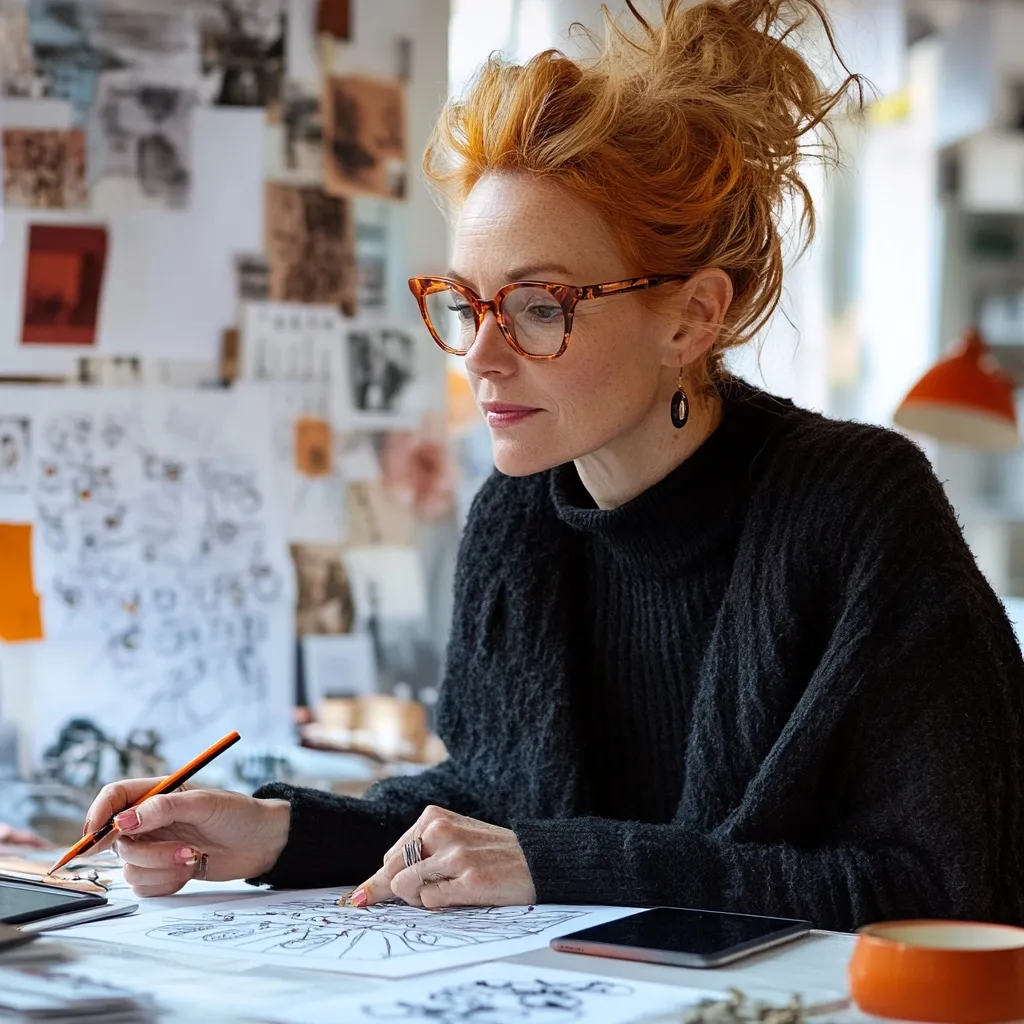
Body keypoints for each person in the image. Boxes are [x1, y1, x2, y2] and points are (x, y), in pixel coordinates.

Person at [86, 0, 1024, 930]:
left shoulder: (856, 510)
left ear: (693, 317)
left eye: (539, 306)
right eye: (466, 302)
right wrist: (278, 833)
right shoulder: (516, 519)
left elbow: (948, 889)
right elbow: (492, 801)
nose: (481, 355)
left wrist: (558, 862)